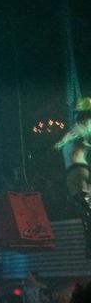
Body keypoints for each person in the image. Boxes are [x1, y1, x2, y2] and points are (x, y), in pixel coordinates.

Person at [55, 97, 91, 256]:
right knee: (86, 206)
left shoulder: (81, 127)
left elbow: (72, 136)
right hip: (82, 170)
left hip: (76, 171)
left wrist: (61, 143)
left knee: (85, 208)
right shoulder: (86, 128)